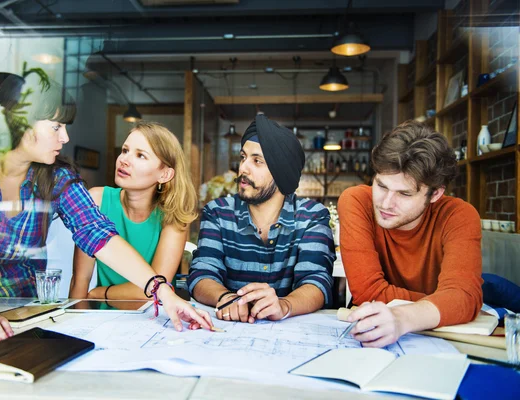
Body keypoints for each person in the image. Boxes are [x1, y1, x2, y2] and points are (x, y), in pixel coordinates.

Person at [0, 76, 212, 342]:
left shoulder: (57, 177)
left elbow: (97, 234)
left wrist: (162, 292)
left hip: (17, 316)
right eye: (56, 127)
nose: (65, 138)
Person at [337, 120, 482, 348]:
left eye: (404, 194)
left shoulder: (459, 215)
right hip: (372, 336)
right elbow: (368, 292)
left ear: (435, 194)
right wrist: (442, 303)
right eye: (381, 186)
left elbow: (463, 297)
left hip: (441, 341)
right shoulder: (356, 201)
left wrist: (403, 318)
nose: (385, 203)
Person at [188, 114, 335, 323]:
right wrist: (226, 298)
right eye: (242, 157)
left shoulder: (311, 217)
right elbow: (202, 273)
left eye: (257, 161)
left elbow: (317, 281)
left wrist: (284, 305)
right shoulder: (218, 213)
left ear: (281, 172)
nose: (243, 168)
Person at [70, 121, 197, 300]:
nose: (124, 160)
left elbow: (154, 294)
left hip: (153, 321)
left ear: (165, 175)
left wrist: (100, 294)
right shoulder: (96, 200)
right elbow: (79, 282)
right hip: (99, 320)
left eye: (140, 155)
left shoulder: (173, 218)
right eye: (124, 150)